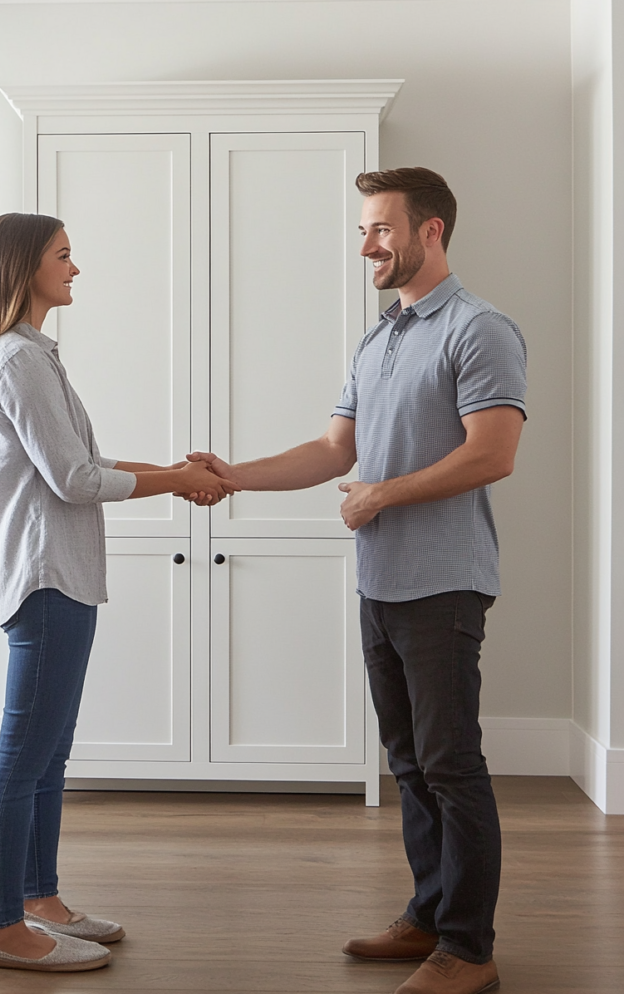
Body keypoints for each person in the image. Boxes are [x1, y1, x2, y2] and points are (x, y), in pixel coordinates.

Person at [188, 168, 526, 994]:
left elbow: (494, 453)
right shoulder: (380, 337)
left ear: (431, 231)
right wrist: (233, 475)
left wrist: (385, 492)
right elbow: (333, 452)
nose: (367, 245)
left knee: (451, 766)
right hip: (380, 581)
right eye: (363, 231)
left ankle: (468, 950)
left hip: (443, 583)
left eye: (380, 228)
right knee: (408, 764)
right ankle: (426, 915)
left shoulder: (478, 330)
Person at [0, 212, 235, 973]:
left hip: (57, 575)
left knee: (48, 754)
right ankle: (3, 928)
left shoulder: (29, 356)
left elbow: (85, 460)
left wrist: (178, 477)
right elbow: (75, 481)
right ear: (24, 267)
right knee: (22, 756)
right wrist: (177, 481)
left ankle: (39, 900)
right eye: (63, 256)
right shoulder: (19, 361)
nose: (75, 269)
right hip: (47, 577)